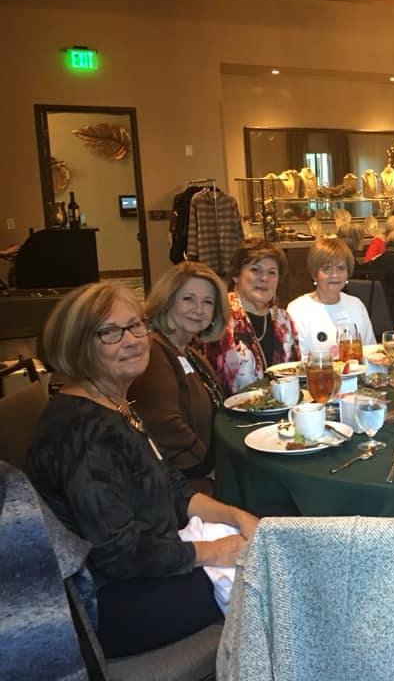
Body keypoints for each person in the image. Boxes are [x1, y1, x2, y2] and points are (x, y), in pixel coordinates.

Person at [27, 282, 258, 659]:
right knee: (271, 578)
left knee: (268, 539)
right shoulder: (81, 432)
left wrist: (238, 516)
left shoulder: (114, 403)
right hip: (112, 603)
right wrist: (214, 551)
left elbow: (172, 488)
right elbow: (118, 553)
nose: (133, 339)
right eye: (110, 332)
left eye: (136, 325)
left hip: (154, 560)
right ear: (77, 345)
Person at [129, 261, 229, 478]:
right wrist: (211, 470)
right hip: (184, 485)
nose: (199, 309)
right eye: (188, 299)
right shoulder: (153, 352)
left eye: (208, 302)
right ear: (167, 300)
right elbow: (164, 426)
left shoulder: (191, 354)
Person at [204, 238, 300, 395]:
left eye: (272, 272)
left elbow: (296, 376)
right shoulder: (218, 315)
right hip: (228, 416)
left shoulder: (284, 320)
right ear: (236, 275)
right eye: (255, 270)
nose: (264, 278)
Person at [287, 236, 376, 356]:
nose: (335, 275)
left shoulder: (356, 305)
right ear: (314, 274)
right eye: (327, 269)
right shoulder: (298, 310)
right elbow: (297, 363)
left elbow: (371, 353)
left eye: (341, 268)